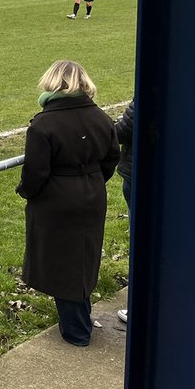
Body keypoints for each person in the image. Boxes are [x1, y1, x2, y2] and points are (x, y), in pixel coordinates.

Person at [16, 60, 119, 347]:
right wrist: (92, 181)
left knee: (62, 264)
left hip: (57, 202)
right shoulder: (101, 118)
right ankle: (79, 320)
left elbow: (35, 172)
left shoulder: (43, 124)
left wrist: (27, 192)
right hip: (92, 195)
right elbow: (111, 157)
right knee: (83, 258)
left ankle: (76, 331)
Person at [114, 97, 136, 324]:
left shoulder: (148, 92)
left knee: (141, 242)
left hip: (139, 175)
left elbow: (123, 130)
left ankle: (138, 306)